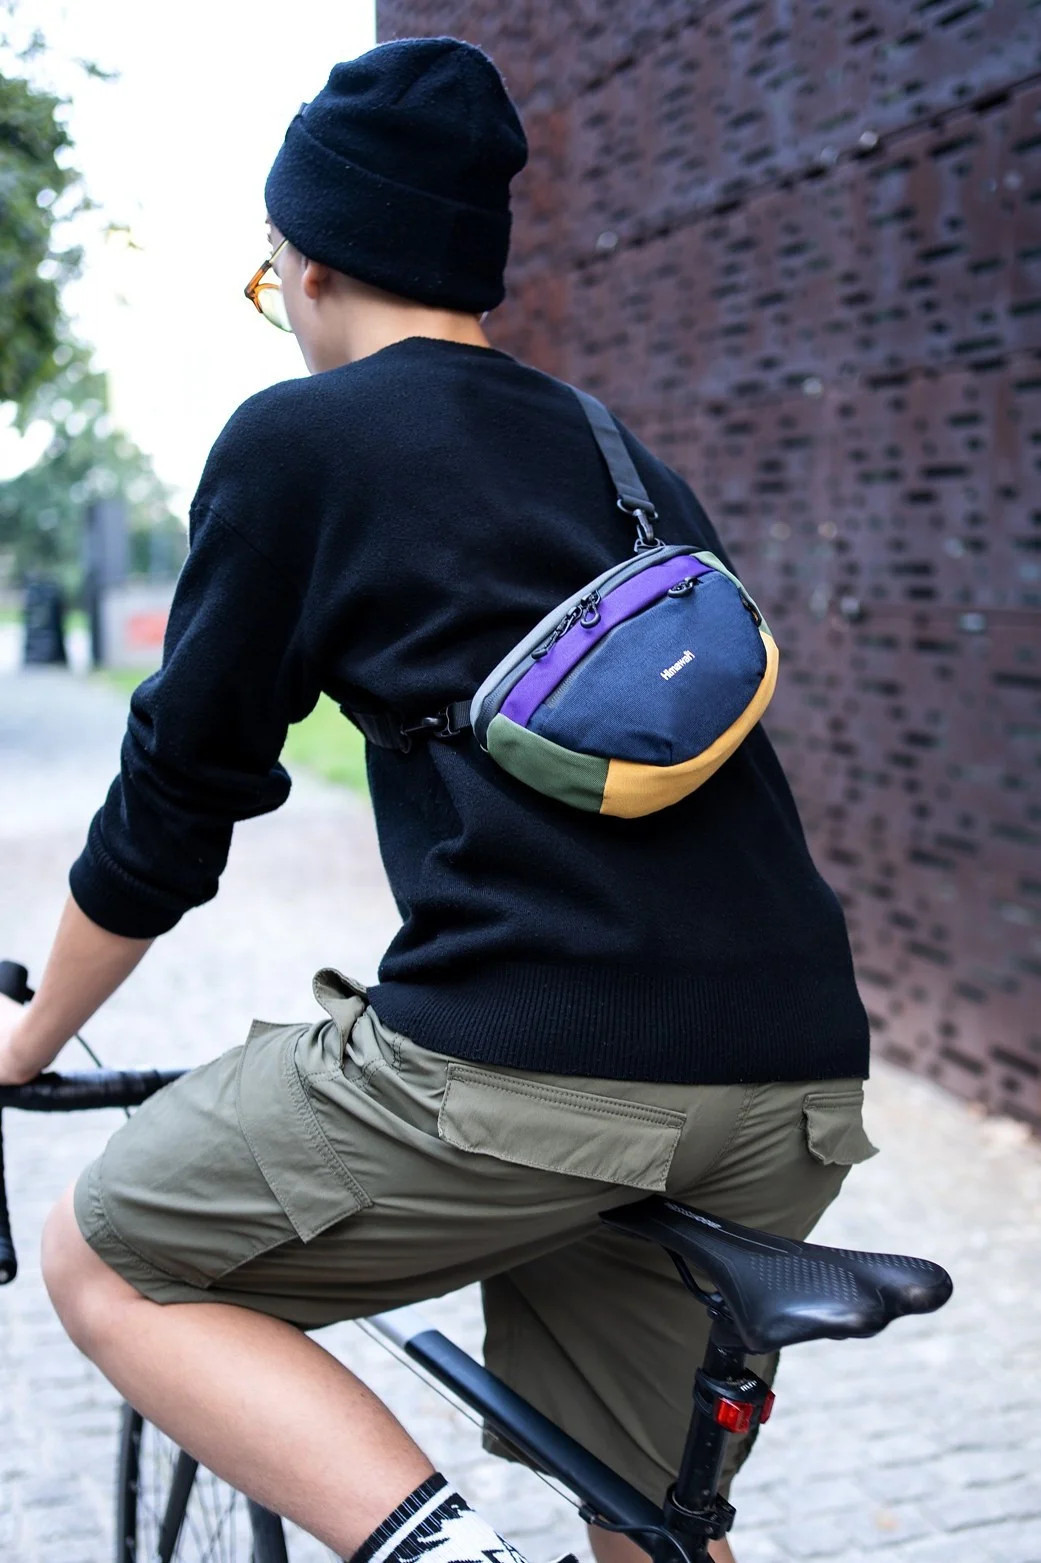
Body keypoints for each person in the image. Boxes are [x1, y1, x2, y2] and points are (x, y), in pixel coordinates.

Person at [0, 35, 876, 1563]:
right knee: (646, 1519)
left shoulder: (299, 442)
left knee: (106, 1256)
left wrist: (22, 1045)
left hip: (531, 1069)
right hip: (789, 1069)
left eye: (269, 274)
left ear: (311, 260)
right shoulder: (617, 453)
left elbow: (175, 800)